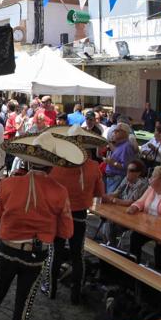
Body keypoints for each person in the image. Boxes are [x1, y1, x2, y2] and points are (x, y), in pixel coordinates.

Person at [0, 133, 79, 320]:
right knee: (24, 303)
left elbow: (0, 216)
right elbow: (67, 231)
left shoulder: (7, 184)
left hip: (9, 248)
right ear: (51, 166)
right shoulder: (59, 191)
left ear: (28, 162)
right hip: (36, 253)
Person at [46, 126, 107, 304]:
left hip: (59, 214)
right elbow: (98, 192)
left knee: (56, 252)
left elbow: (48, 191)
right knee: (77, 255)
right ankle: (75, 294)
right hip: (80, 214)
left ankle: (52, 289)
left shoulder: (57, 165)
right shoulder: (94, 166)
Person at [127, 165, 161, 271]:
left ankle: (158, 271)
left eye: (153, 176)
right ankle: (133, 264)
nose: (150, 178)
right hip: (149, 226)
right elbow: (141, 201)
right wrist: (134, 207)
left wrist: (159, 225)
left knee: (160, 244)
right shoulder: (151, 188)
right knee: (135, 237)